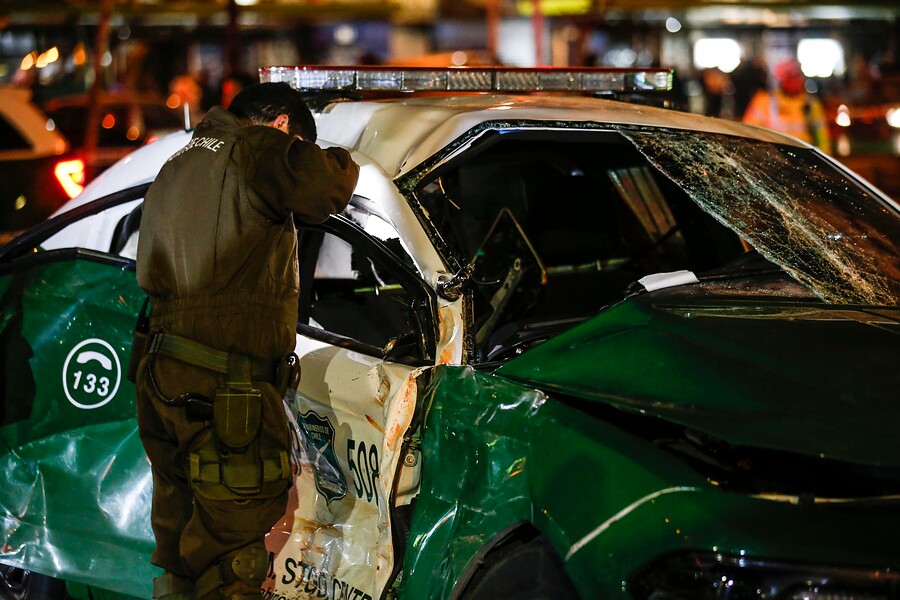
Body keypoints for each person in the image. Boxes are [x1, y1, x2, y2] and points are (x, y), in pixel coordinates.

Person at [133, 82, 360, 600]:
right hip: (224, 388)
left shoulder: (180, 159)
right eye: (295, 142)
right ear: (282, 127)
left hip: (162, 374)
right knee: (230, 558)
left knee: (180, 546)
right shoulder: (255, 148)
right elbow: (328, 187)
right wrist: (346, 152)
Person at [742, 58, 831, 154]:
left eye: (797, 77)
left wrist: (825, 158)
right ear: (781, 80)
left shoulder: (810, 103)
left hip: (803, 158)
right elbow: (749, 131)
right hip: (773, 157)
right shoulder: (765, 101)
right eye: (790, 78)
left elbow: (822, 137)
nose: (796, 81)